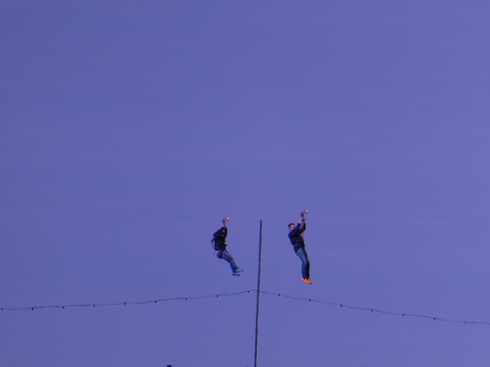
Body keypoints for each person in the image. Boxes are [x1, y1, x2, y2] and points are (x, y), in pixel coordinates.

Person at [288, 210, 312, 284]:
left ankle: (307, 277)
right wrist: (299, 221)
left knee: (308, 262)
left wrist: (303, 220)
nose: (293, 228)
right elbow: (297, 229)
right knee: (304, 261)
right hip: (298, 248)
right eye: (292, 227)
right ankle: (304, 277)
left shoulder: (297, 233)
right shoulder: (291, 234)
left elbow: (302, 229)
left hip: (302, 247)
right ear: (290, 228)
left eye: (294, 227)